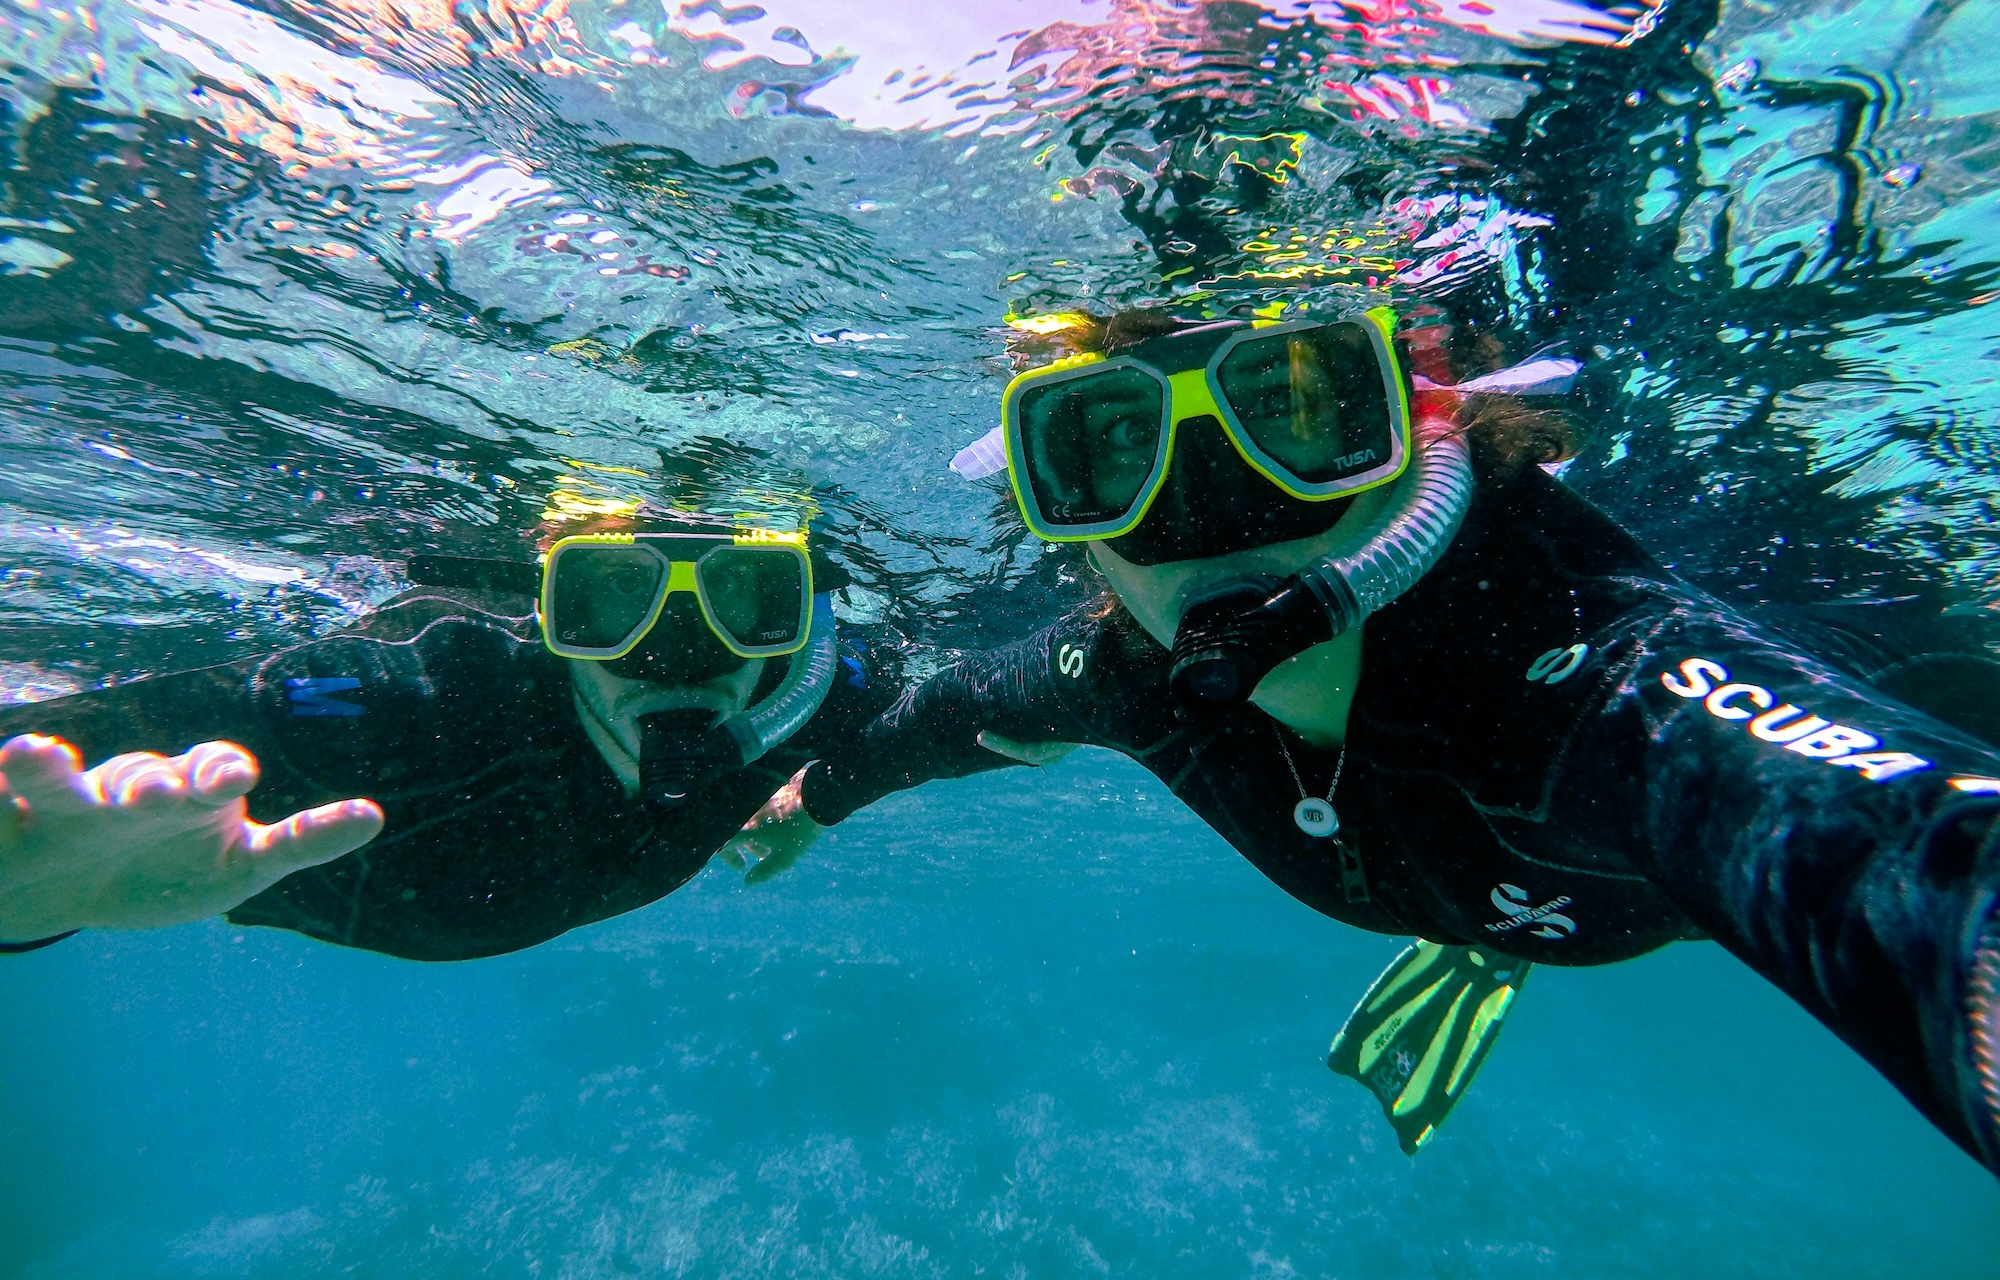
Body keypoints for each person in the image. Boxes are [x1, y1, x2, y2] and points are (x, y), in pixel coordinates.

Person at [736, 303, 2000, 1171]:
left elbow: (1897, 855)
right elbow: (943, 713)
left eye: (1292, 403)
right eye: (1114, 437)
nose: (1209, 506)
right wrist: (813, 800)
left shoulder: (1609, 681)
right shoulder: (1122, 672)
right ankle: (1486, 939)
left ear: (1426, 432)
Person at [0, 509, 882, 960]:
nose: (679, 654)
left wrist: (825, 794)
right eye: (615, 591)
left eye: (741, 593)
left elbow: (945, 715)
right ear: (549, 611)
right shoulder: (411, 701)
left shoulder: (815, 693)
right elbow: (46, 783)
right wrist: (36, 903)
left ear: (792, 614)